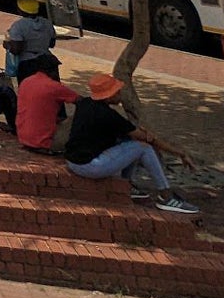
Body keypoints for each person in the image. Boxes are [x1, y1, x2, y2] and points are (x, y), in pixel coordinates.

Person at [64, 74, 198, 215]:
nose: (120, 95)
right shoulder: (109, 116)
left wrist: (139, 133)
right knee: (143, 148)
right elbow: (148, 140)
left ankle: (127, 185)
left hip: (73, 161)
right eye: (117, 92)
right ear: (108, 96)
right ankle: (166, 196)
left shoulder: (85, 103)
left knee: (129, 143)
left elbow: (125, 133)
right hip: (89, 166)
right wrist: (180, 153)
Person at [13, 53, 79, 153]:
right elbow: (81, 101)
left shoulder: (26, 82)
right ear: (52, 70)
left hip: (23, 137)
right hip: (44, 143)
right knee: (75, 118)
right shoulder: (54, 86)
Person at [3, 0, 58, 79]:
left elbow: (16, 50)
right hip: (48, 61)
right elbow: (52, 44)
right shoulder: (47, 23)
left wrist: (7, 45)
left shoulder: (18, 26)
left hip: (28, 65)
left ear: (20, 10)